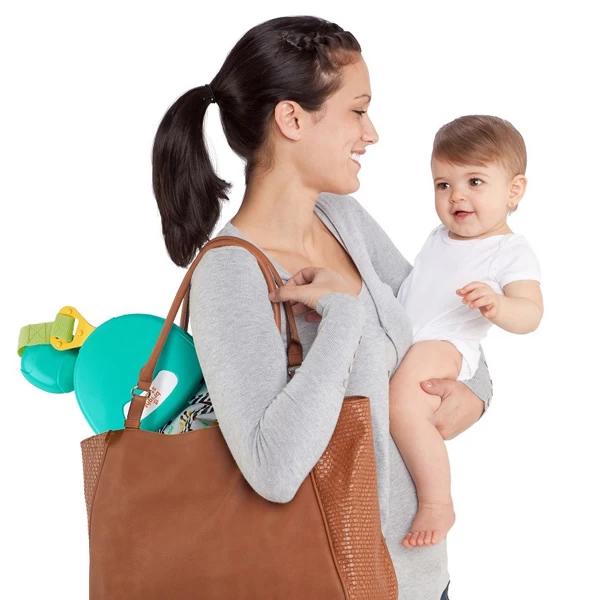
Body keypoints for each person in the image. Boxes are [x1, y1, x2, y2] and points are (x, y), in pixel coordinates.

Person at [151, 16, 492, 600]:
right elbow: (273, 469)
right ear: (291, 119)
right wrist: (344, 318)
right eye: (357, 111)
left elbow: (444, 323)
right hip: (332, 584)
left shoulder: (342, 218)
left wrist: (477, 394)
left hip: (420, 577)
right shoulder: (231, 274)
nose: (371, 133)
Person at [388, 115, 543, 550]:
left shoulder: (510, 250)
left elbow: (532, 313)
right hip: (410, 338)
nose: (456, 195)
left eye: (474, 181)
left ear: (514, 190)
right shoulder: (439, 235)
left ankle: (436, 502)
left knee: (401, 404)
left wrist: (499, 305)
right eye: (443, 184)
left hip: (447, 343)